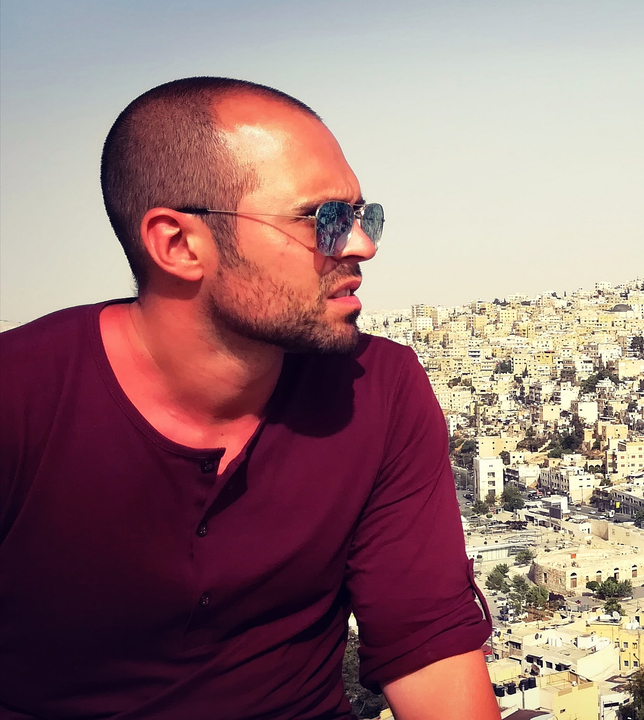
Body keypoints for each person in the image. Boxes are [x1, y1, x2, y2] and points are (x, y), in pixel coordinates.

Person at [0, 78, 498, 719]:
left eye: (362, 216)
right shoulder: (22, 400)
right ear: (178, 244)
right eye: (323, 220)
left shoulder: (377, 390)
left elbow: (429, 655)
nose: (361, 246)